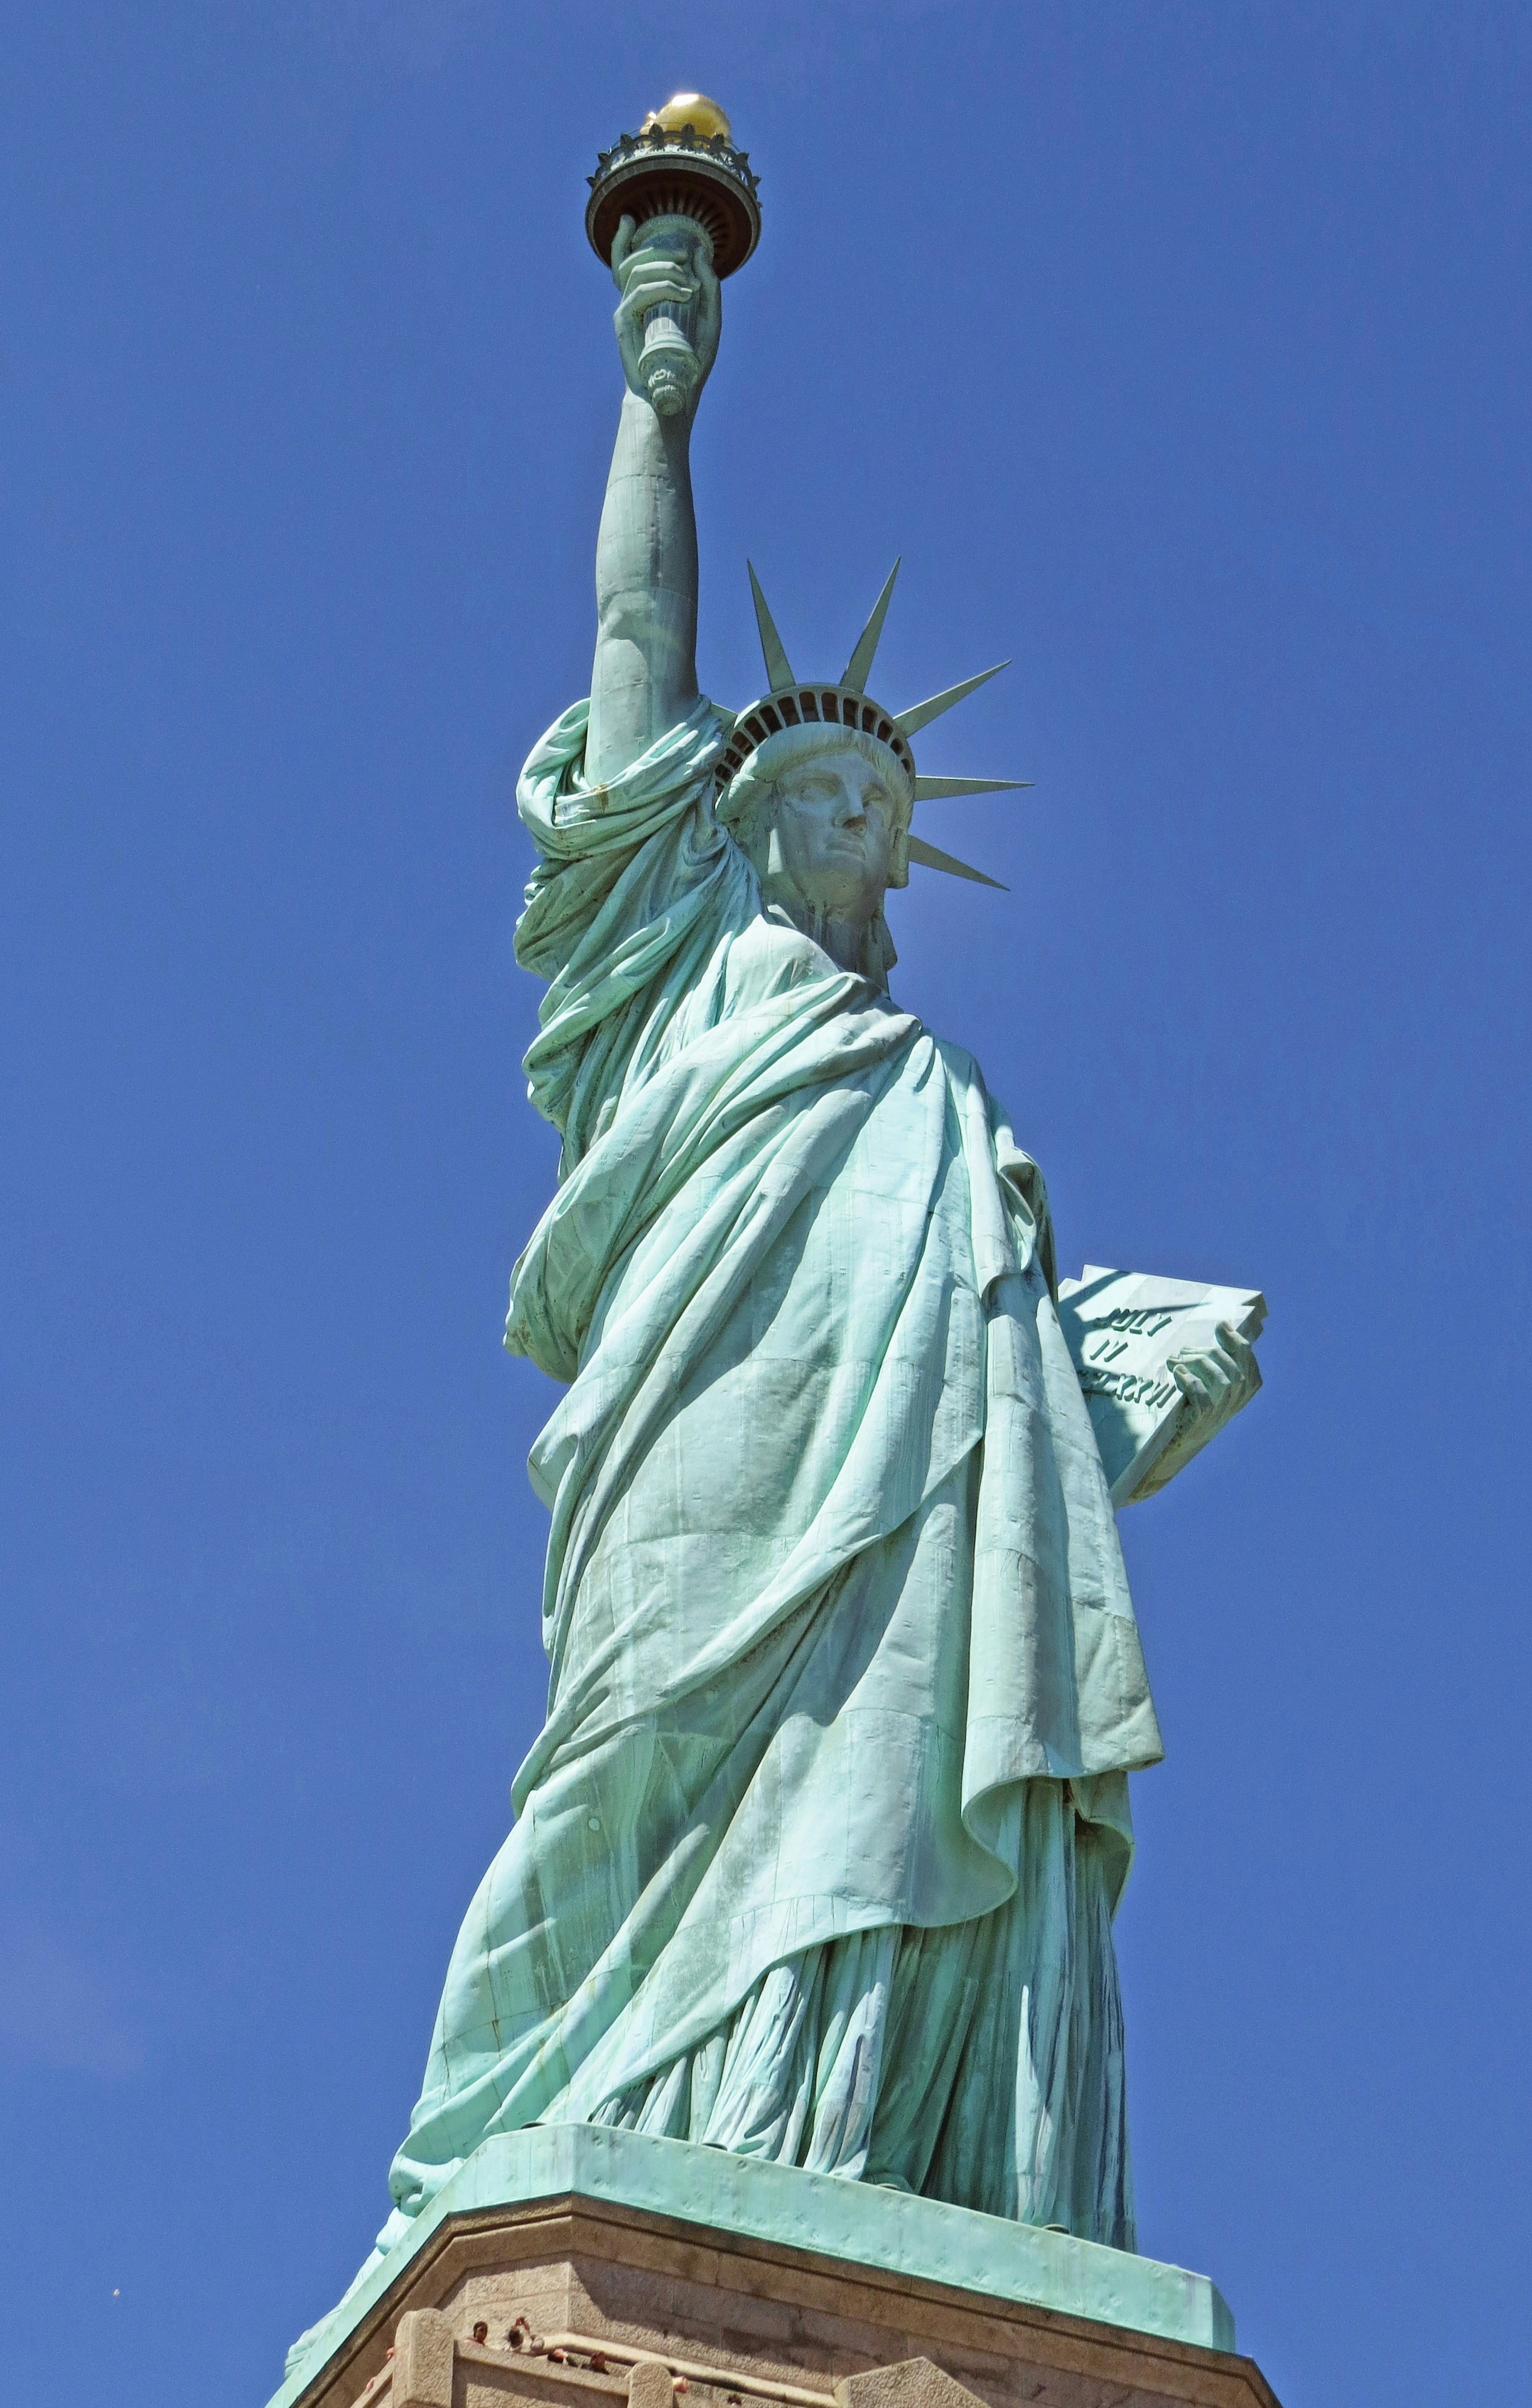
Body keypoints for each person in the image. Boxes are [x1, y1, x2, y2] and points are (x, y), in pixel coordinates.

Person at [370, 215, 1258, 2289]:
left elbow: (1004, 1373)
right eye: (811, 784)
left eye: (881, 796)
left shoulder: (938, 1101)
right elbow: (632, 641)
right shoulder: (672, 971)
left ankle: (856, 2144)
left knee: (911, 1731)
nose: (854, 815)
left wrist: (1121, 1366)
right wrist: (656, 395)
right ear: (729, 819)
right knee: (635, 1756)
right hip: (707, 1440)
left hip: (906, 1513)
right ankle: (595, 2128)